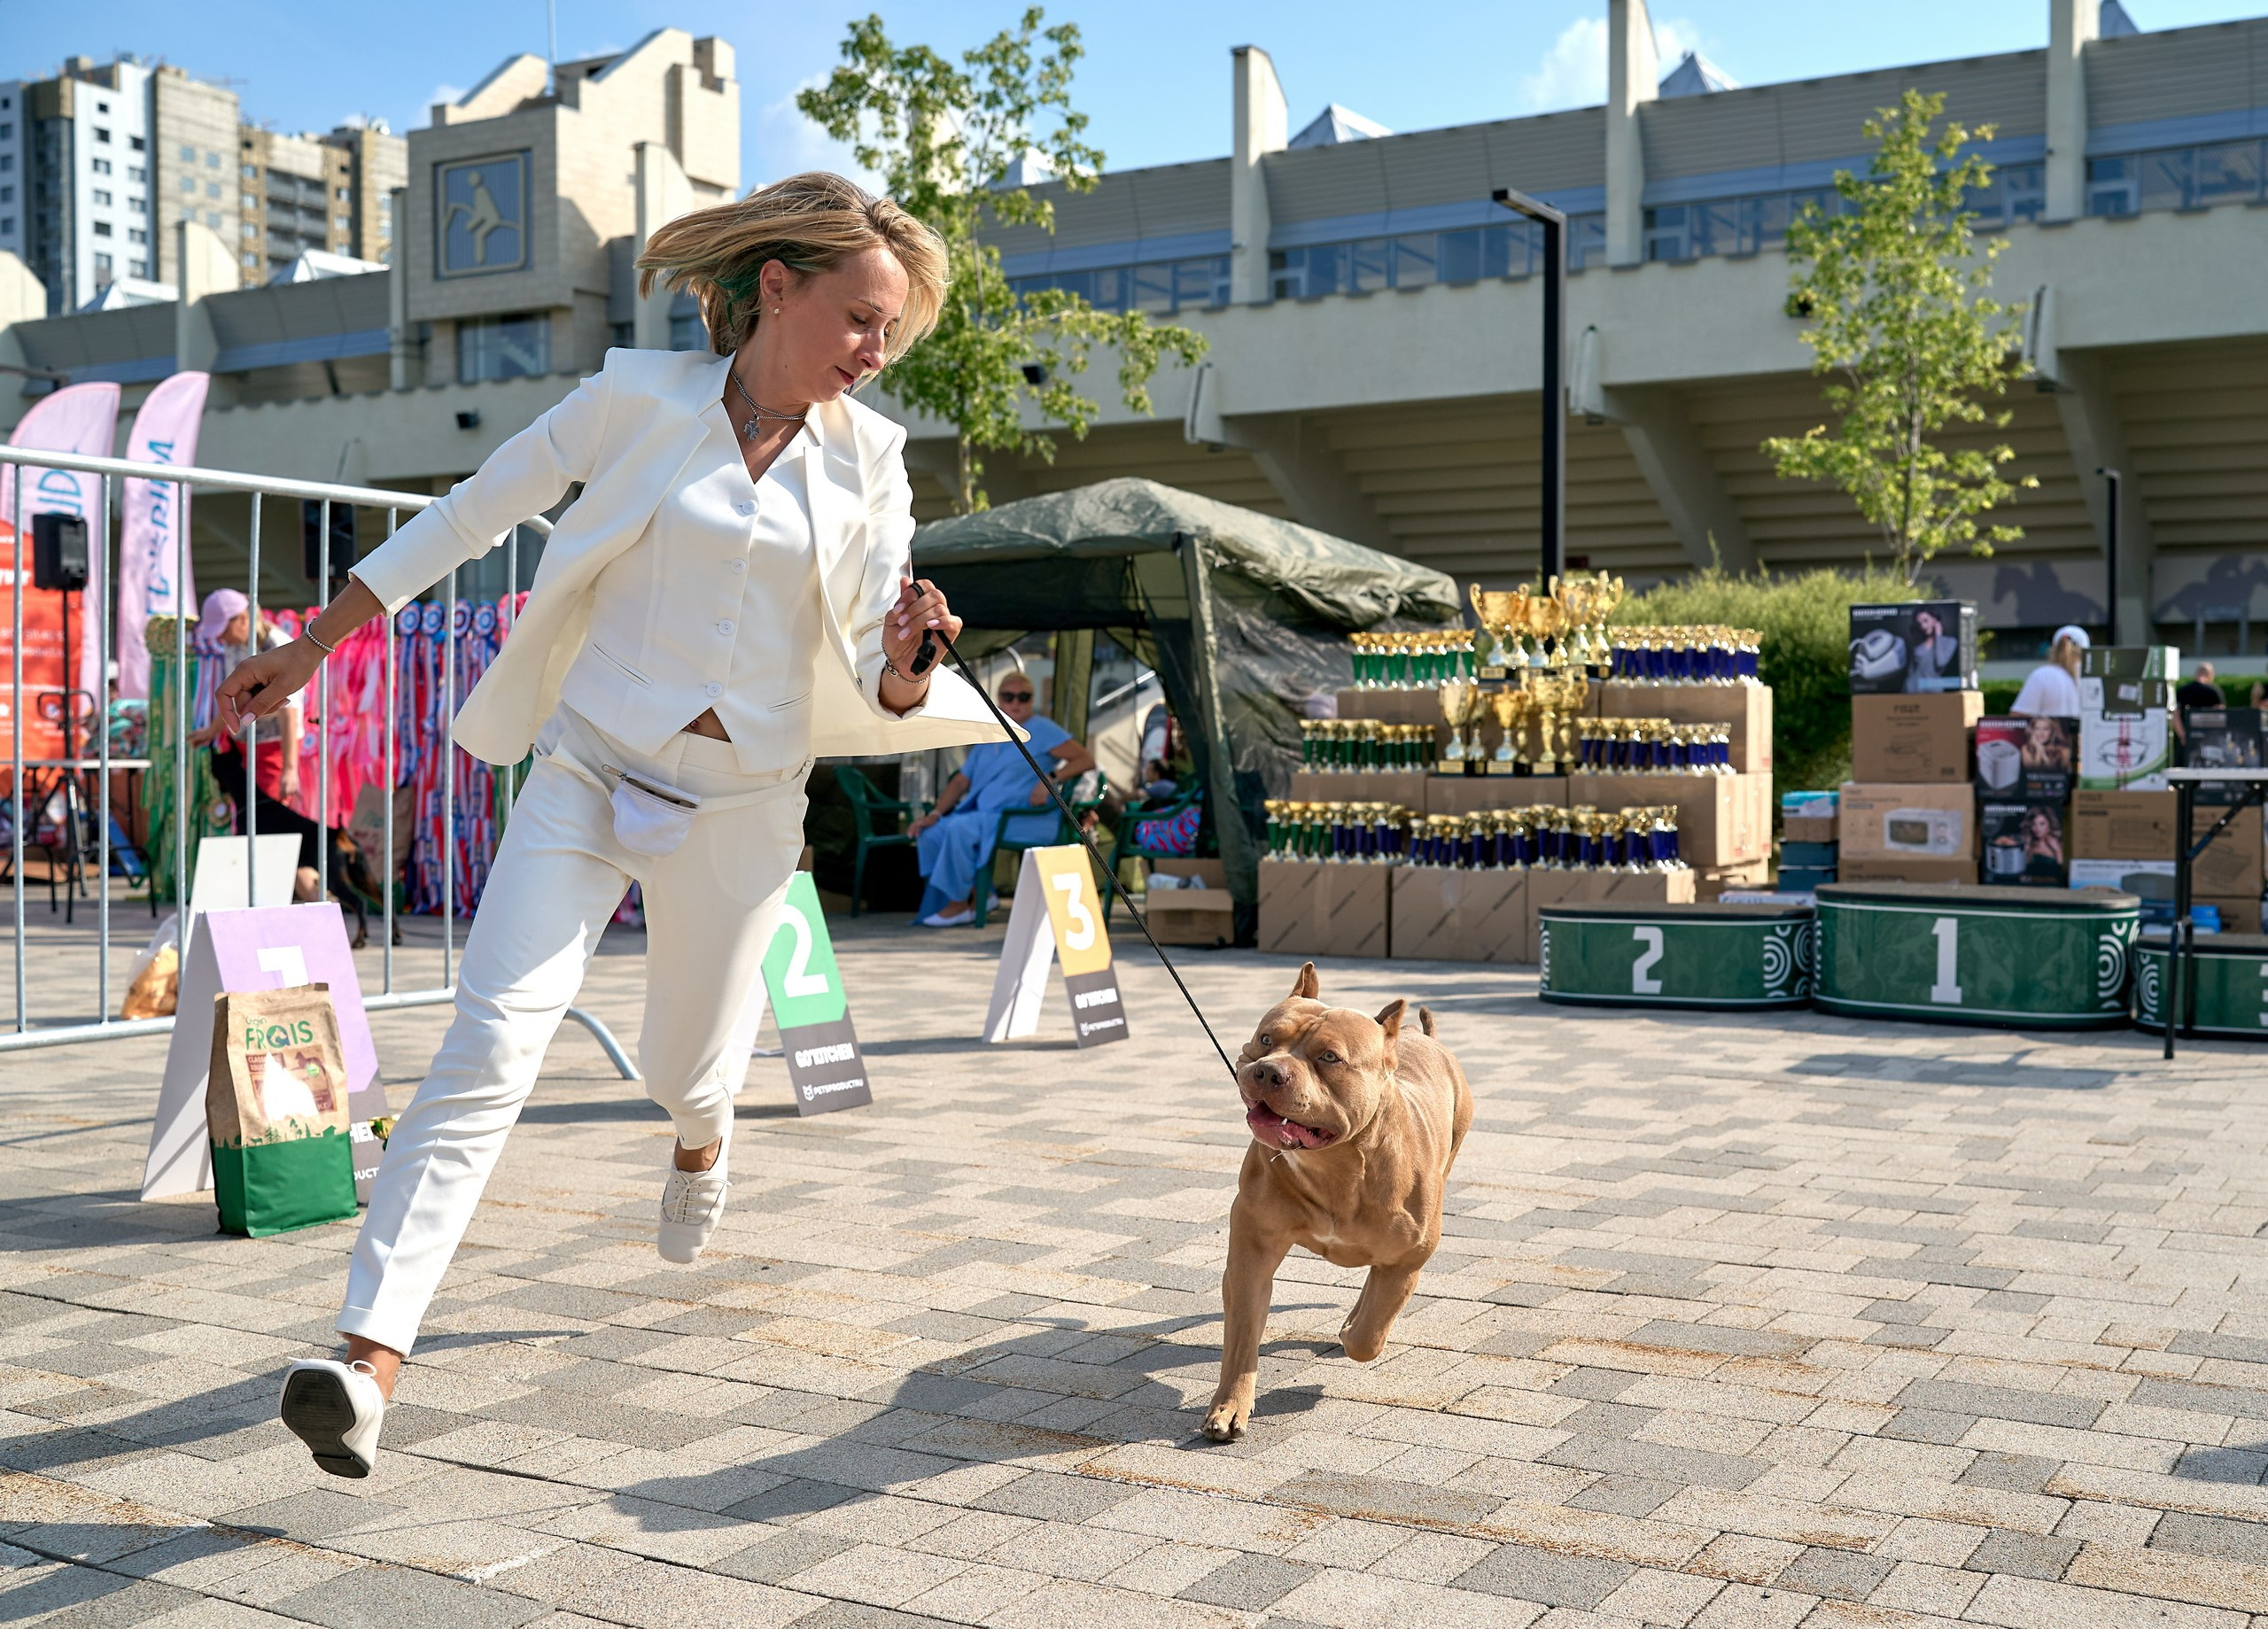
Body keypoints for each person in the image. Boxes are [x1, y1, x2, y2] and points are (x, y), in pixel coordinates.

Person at [218, 173, 1007, 1479]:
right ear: (779, 287)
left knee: (684, 1062)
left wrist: (917, 655)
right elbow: (471, 511)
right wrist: (307, 649)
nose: (875, 354)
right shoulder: (637, 399)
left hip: (744, 804)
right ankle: (367, 1358)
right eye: (863, 320)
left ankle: (704, 1132)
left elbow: (881, 668)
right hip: (587, 770)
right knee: (491, 1039)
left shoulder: (872, 457)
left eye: (890, 335)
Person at [907, 673, 1096, 927]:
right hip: (985, 817)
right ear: (998, 700)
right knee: (931, 833)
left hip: (1024, 818)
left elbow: (1085, 759)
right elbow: (961, 781)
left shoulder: (1042, 728)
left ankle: (958, 904)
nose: (1016, 703)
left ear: (1032, 700)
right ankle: (982, 894)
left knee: (959, 828)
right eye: (1009, 697)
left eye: (1024, 697)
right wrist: (935, 814)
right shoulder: (992, 732)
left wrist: (1051, 777)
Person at [187, 588, 323, 904]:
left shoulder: (276, 644)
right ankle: (294, 899)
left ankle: (310, 901)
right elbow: (236, 697)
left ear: (243, 619)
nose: (220, 638)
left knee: (272, 832)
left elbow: (291, 711)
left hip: (277, 749)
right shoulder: (237, 648)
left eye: (223, 629)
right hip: (253, 749)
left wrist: (290, 768)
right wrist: (213, 730)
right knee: (261, 830)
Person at [2011, 624, 2087, 718]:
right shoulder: (2096, 677)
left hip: (2050, 732)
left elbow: (2018, 717)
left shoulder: (2042, 675)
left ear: (2054, 649)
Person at [1902, 607, 1960, 693]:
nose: (1923, 626)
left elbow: (1941, 663)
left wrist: (1938, 635)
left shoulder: (1950, 642)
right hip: (1912, 688)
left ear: (1935, 620)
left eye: (1926, 621)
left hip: (1934, 689)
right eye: (1919, 624)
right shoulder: (1918, 642)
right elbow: (1911, 669)